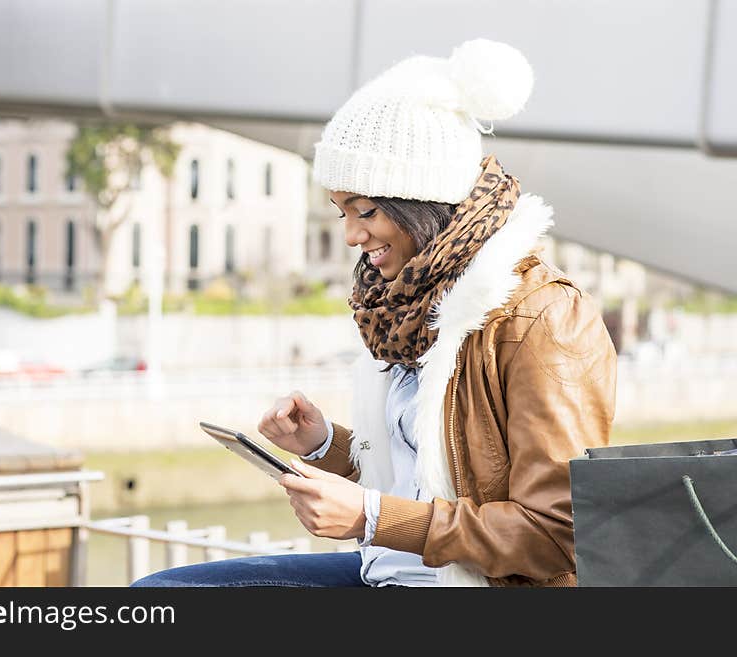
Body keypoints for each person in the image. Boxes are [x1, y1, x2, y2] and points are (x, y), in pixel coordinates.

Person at [131, 38, 617, 588]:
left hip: (467, 587)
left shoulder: (544, 317)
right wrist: (323, 447)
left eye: (366, 211)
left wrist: (372, 518)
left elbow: (557, 537)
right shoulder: (401, 307)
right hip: (387, 573)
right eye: (341, 212)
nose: (350, 235)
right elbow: (421, 481)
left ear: (426, 202)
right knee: (159, 596)